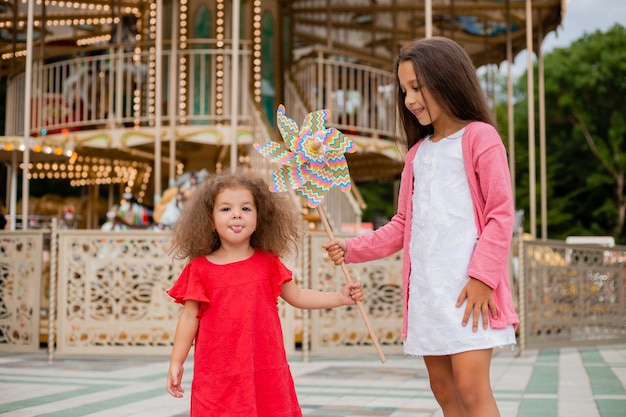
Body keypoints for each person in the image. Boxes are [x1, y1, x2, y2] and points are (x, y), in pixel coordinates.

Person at [323, 36, 519, 417]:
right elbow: (402, 225)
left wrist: (483, 278)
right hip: (429, 291)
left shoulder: (481, 138)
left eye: (417, 87)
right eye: (404, 90)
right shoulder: (416, 154)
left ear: (448, 80)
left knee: (470, 386)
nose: (410, 99)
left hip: (470, 290)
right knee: (443, 389)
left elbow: (500, 214)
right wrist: (353, 248)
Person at [166, 171, 364, 417]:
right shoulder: (200, 269)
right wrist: (176, 361)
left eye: (246, 209)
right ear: (209, 219)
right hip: (218, 373)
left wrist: (339, 297)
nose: (237, 214)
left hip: (264, 369)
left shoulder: (268, 262)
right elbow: (188, 318)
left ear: (260, 217)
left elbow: (298, 296)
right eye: (226, 209)